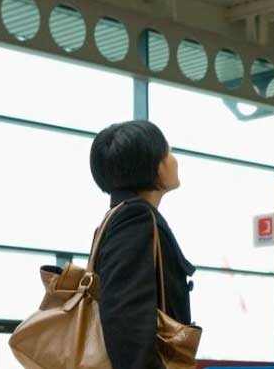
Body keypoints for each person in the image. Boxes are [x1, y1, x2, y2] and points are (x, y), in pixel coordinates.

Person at [89, 120, 196, 369]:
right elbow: (125, 317)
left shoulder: (122, 215)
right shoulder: (134, 219)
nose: (174, 160)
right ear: (151, 167)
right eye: (167, 152)